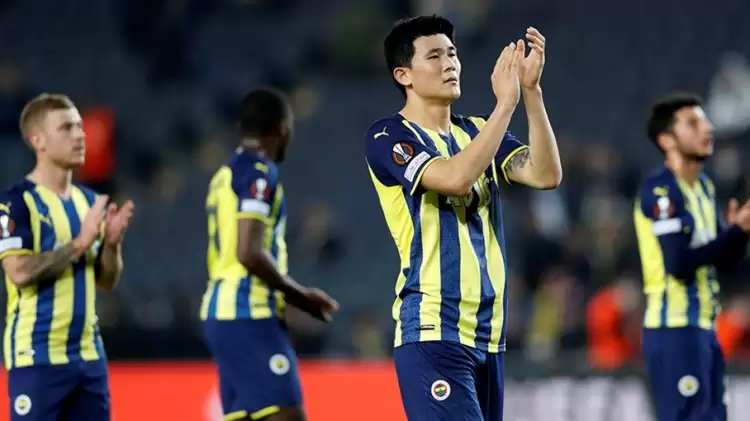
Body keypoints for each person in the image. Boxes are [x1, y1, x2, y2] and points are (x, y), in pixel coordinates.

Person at [364, 16, 562, 420]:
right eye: (434, 56)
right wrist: (505, 106)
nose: (449, 64)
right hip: (433, 329)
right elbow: (454, 179)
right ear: (404, 74)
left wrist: (531, 92)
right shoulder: (388, 137)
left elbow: (545, 174)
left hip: (489, 333)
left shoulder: (477, 131)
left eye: (452, 54)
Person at [200, 88, 339, 421]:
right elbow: (248, 252)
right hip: (247, 313)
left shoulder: (223, 175)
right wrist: (300, 297)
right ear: (282, 128)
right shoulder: (259, 173)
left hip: (221, 312)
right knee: (288, 414)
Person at [0, 93, 133, 421]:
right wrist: (79, 243)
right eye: (66, 128)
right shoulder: (17, 203)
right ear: (38, 141)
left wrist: (111, 245)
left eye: (79, 126)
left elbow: (106, 281)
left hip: (89, 356)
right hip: (37, 356)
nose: (80, 135)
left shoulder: (89, 202)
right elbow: (19, 272)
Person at [634, 93, 750, 421]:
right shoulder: (661, 189)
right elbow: (678, 264)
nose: (707, 128)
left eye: (705, 121)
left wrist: (739, 234)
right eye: (693, 123)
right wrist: (733, 234)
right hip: (674, 329)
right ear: (666, 140)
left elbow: (723, 261)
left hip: (704, 327)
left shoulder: (704, 189)